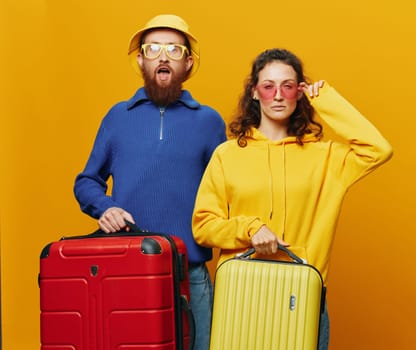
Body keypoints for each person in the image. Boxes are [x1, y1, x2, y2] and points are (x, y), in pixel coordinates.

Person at [192, 48, 393, 349]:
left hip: (301, 296)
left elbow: (379, 149)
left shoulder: (326, 157)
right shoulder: (228, 155)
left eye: (288, 86)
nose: (277, 95)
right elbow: (203, 226)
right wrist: (250, 229)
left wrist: (325, 99)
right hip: (242, 296)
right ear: (254, 92)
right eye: (268, 86)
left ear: (299, 93)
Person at [73, 14, 226, 350]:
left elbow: (230, 192)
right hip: (129, 270)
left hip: (192, 274)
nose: (163, 56)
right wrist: (106, 207)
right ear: (141, 59)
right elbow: (86, 182)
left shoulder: (210, 121)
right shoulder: (117, 117)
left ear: (187, 63)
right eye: (153, 48)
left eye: (173, 49)